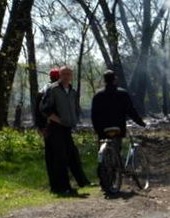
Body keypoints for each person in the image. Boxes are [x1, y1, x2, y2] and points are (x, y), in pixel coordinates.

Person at [90, 69, 146, 197]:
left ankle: (105, 184)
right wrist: (140, 122)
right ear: (115, 79)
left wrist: (97, 130)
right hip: (117, 128)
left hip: (103, 130)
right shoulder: (122, 93)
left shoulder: (98, 95)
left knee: (104, 156)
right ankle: (113, 180)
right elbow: (131, 110)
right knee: (116, 151)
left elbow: (94, 115)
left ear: (104, 80)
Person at [39, 66, 90, 196]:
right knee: (59, 158)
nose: (66, 76)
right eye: (64, 74)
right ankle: (61, 187)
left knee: (71, 155)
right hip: (55, 128)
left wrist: (74, 120)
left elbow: (75, 108)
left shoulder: (72, 91)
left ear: (71, 76)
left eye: (69, 74)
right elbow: (44, 109)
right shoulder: (53, 89)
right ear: (60, 75)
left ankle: (80, 182)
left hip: (67, 128)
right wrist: (58, 120)